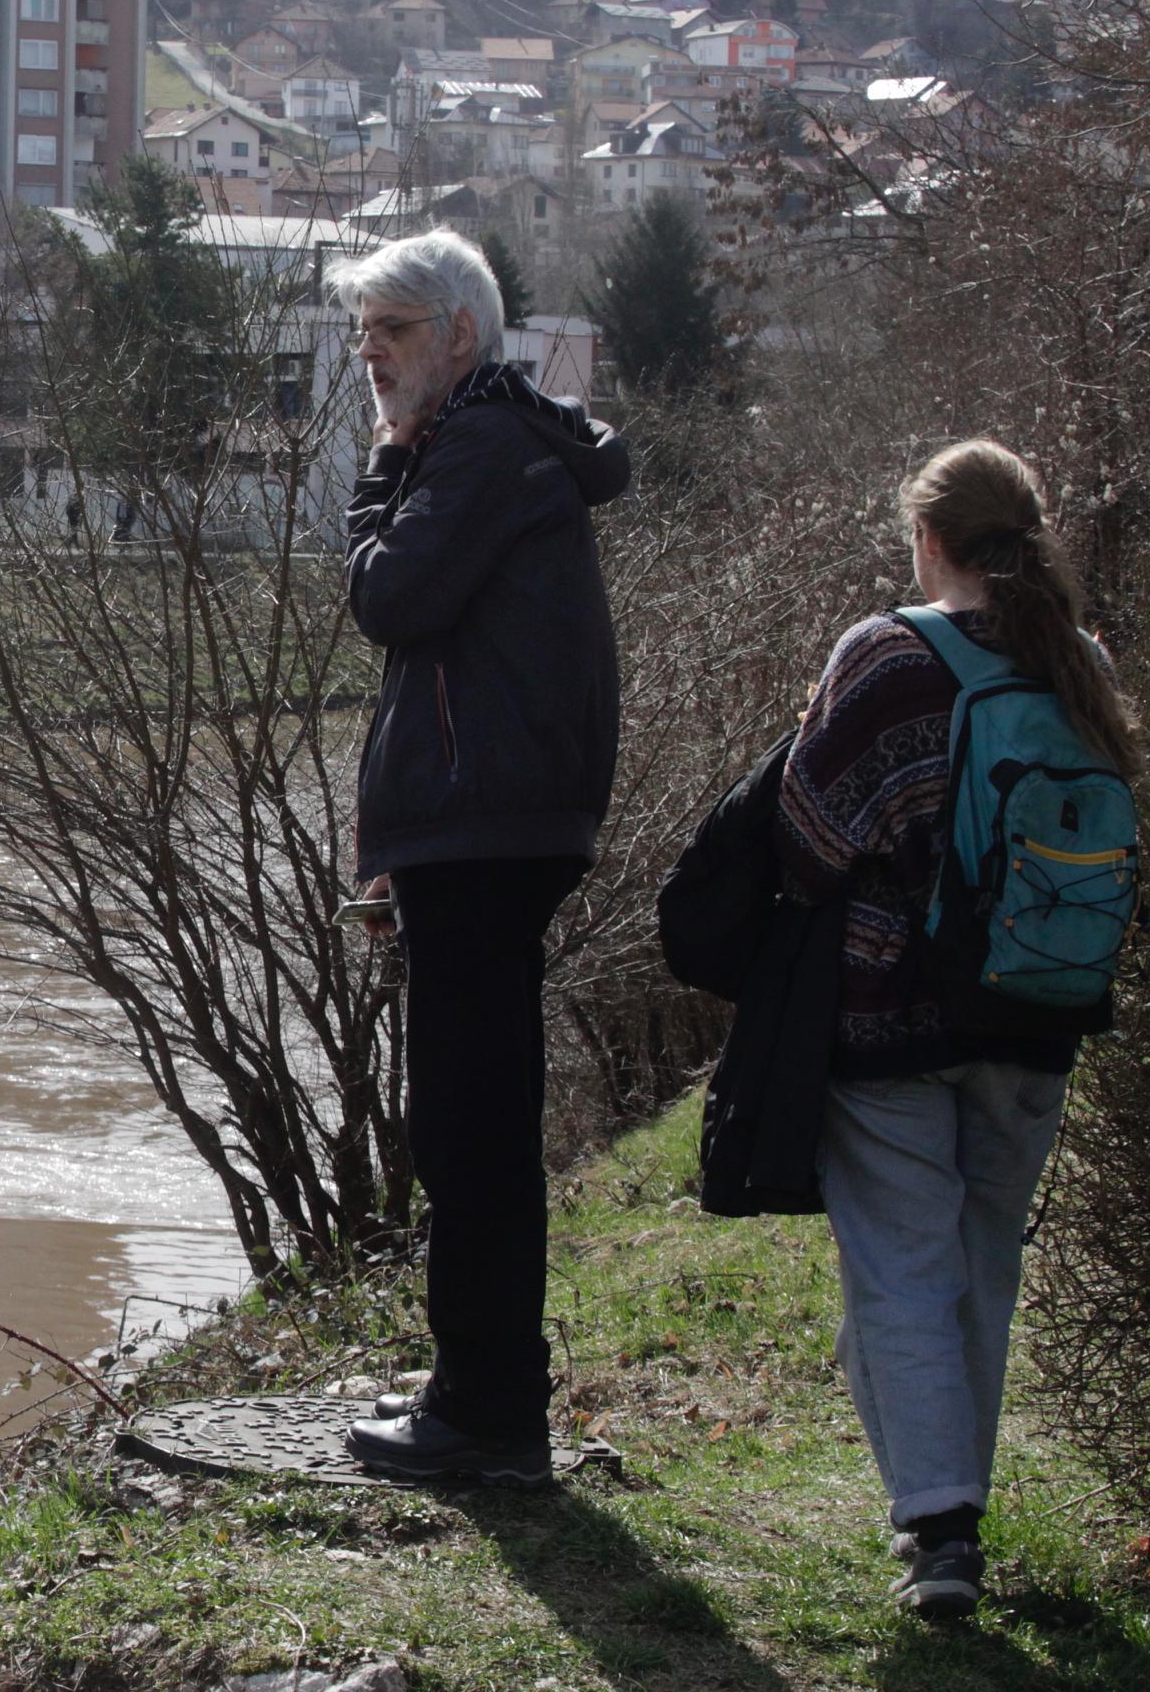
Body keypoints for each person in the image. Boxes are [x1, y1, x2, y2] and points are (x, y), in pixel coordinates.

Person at [776, 440, 1139, 1617]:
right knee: (982, 1262)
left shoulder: (884, 655)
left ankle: (941, 1528)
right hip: (1038, 1010)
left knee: (902, 1267)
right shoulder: (1077, 660)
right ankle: (954, 1509)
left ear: (927, 541)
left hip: (893, 1020)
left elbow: (810, 839)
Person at [330, 230, 634, 1484]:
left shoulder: (482, 446)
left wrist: (378, 469)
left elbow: (391, 599)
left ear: (460, 334)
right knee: (476, 1120)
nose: (372, 356)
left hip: (484, 825)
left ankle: (490, 1416)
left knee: (469, 1126)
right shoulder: (497, 444)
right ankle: (482, 1388)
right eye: (364, 335)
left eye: (392, 332)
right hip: (491, 825)